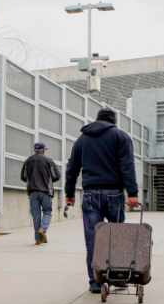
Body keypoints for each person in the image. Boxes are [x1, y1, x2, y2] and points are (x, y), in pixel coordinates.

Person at [64, 107, 139, 293]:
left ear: (97, 120)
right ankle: (119, 278)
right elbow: (127, 166)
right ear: (113, 122)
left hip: (90, 195)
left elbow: (72, 168)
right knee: (117, 237)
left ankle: (96, 282)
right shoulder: (121, 136)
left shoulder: (82, 139)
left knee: (93, 240)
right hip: (114, 194)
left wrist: (69, 193)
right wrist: (133, 193)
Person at [21, 141, 61, 245]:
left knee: (36, 215)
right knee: (47, 212)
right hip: (46, 191)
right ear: (43, 150)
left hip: (32, 192)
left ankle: (37, 239)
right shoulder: (48, 160)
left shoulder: (28, 161)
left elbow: (23, 176)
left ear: (34, 150)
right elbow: (56, 175)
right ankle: (42, 230)